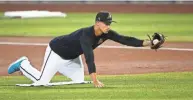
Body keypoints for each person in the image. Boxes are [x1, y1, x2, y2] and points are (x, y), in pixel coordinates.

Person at [8, 11, 164, 88]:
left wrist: (149, 43)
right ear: (97, 23)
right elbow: (89, 56)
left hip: (71, 58)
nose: (108, 26)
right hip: (56, 52)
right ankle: (23, 64)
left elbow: (126, 40)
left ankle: (57, 70)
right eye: (105, 23)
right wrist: (95, 79)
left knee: (78, 81)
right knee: (42, 82)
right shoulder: (86, 35)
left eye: (110, 23)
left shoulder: (106, 33)